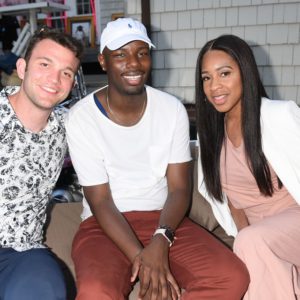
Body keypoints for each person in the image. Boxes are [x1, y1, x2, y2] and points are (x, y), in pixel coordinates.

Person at [66, 18, 249, 300]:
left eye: (142, 53)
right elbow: (100, 200)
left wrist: (161, 239)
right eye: (120, 55)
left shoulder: (171, 109)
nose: (134, 63)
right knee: (95, 292)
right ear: (103, 61)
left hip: (164, 221)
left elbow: (178, 189)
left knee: (231, 277)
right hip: (103, 225)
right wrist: (143, 259)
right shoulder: (81, 117)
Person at [195, 34, 300, 300]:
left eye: (224, 73)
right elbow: (233, 203)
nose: (214, 86)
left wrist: (249, 239)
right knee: (251, 247)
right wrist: (246, 240)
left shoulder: (279, 115)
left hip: (294, 221)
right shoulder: (211, 135)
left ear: (246, 72)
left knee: (252, 242)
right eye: (207, 78)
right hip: (256, 235)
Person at [0, 28, 83, 300]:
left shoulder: (68, 125)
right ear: (22, 68)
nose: (54, 79)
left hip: (21, 253)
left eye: (66, 72)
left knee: (45, 287)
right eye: (45, 64)